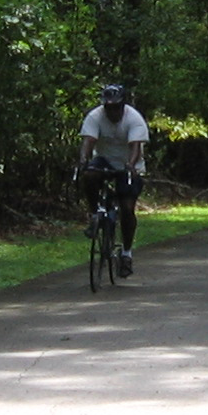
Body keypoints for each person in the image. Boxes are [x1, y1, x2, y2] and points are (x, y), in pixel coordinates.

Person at [75, 82, 148, 276]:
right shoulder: (95, 116)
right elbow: (88, 141)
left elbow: (135, 146)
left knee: (127, 208)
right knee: (90, 175)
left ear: (123, 106)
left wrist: (130, 166)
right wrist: (83, 160)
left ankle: (126, 253)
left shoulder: (134, 119)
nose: (112, 112)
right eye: (108, 107)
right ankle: (94, 216)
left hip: (129, 165)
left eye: (116, 108)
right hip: (105, 161)